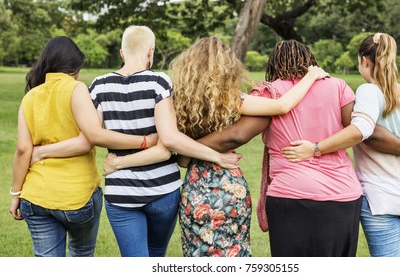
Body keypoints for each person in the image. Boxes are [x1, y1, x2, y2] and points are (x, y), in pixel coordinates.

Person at [103, 36, 330, 257]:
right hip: (230, 186)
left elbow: (178, 154)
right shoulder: (230, 98)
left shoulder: (178, 101)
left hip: (195, 189)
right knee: (234, 254)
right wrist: (311, 76)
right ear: (227, 66)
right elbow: (281, 105)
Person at [26, 27, 242, 257]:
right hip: (163, 191)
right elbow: (169, 139)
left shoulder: (99, 86)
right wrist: (217, 156)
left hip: (121, 194)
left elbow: (92, 134)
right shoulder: (159, 82)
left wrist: (117, 163)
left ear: (121, 52)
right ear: (151, 51)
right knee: (156, 253)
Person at [281, 33, 400, 257]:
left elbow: (362, 130)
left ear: (364, 61)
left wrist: (315, 148)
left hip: (381, 199)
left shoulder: (369, 91)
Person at [9, 36, 103, 257]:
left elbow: (23, 150)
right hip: (77, 196)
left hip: (35, 196)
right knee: (81, 254)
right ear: (74, 67)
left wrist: (16, 194)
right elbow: (88, 138)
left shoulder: (30, 97)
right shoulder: (77, 89)